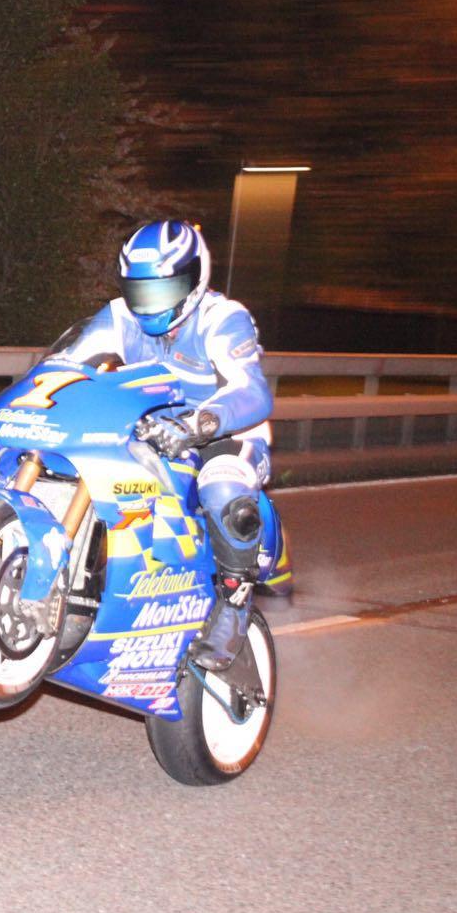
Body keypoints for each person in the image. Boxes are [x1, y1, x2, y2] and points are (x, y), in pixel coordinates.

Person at [53, 220, 277, 671]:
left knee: (221, 487)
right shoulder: (118, 316)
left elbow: (253, 392)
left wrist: (200, 423)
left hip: (225, 435)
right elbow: (62, 364)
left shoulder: (222, 319)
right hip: (148, 430)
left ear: (195, 280)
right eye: (141, 291)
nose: (149, 304)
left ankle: (234, 607)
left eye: (164, 289)